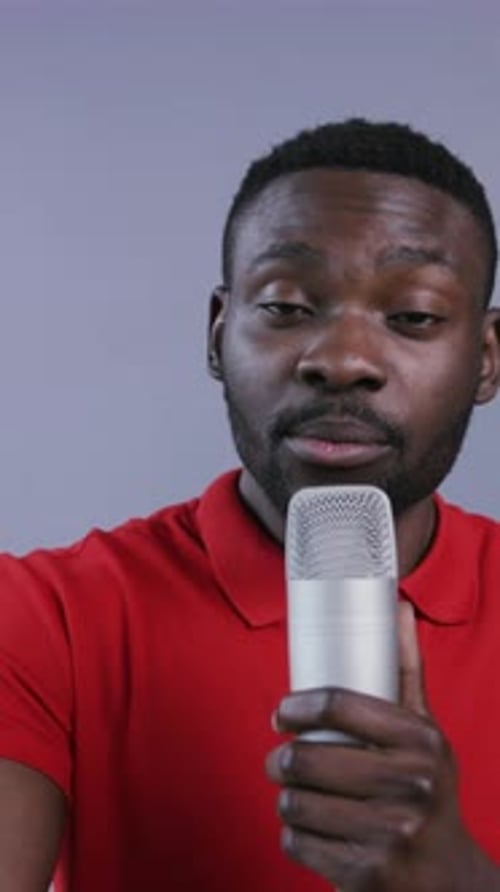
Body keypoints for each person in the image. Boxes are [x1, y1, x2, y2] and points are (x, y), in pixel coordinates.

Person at [0, 119, 499, 892]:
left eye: (414, 317)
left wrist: (459, 881)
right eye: (289, 306)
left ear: (487, 359)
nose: (341, 361)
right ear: (217, 333)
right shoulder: (42, 616)